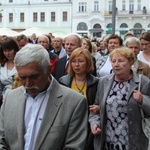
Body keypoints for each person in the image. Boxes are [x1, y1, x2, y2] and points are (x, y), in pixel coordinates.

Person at [0, 44, 88, 150]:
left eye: (34, 76)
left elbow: (74, 146)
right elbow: (2, 138)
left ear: (48, 69)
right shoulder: (10, 97)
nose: (28, 83)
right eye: (22, 77)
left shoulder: (74, 102)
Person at [89, 47, 150, 150]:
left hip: (133, 142)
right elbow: (95, 110)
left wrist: (142, 100)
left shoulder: (142, 82)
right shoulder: (104, 81)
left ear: (131, 62)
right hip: (108, 141)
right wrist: (95, 123)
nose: (116, 64)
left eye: (121, 61)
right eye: (113, 61)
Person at [59, 48, 99, 150]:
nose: (76, 65)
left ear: (88, 63)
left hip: (88, 125)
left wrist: (99, 107)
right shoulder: (63, 81)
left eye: (80, 61)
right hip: (68, 125)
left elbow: (99, 104)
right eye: (73, 61)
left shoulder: (96, 83)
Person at [0, 36, 19, 102]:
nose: (7, 53)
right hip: (4, 99)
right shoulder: (2, 65)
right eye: (5, 51)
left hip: (18, 98)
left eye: (10, 50)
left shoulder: (21, 64)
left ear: (15, 49)